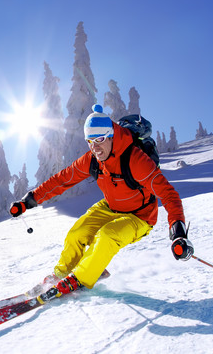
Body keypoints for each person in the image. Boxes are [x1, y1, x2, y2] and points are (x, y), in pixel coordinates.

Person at [10, 104, 193, 298]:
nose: (95, 148)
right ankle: (60, 275)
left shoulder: (135, 160)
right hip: (110, 207)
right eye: (90, 141)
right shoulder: (92, 159)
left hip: (140, 216)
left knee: (107, 235)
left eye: (100, 140)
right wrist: (28, 201)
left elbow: (168, 194)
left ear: (112, 135)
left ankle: (80, 279)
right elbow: (62, 180)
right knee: (77, 233)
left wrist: (178, 232)